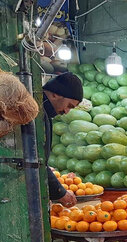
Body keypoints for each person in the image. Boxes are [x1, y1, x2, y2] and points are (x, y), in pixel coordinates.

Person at [42, 72, 83, 207]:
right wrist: (60, 192)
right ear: (55, 94)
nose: (66, 111)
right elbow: (37, 161)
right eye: (69, 105)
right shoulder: (36, 113)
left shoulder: (44, 112)